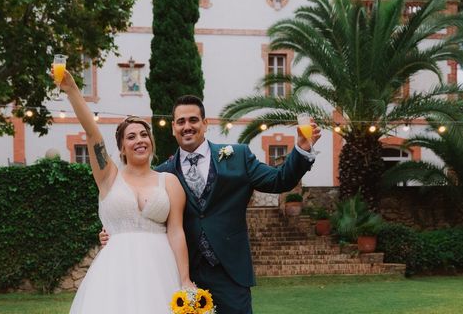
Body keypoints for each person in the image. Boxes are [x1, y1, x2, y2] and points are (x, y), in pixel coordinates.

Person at [101, 95, 321, 314]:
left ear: (205, 124)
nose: (187, 126)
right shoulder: (162, 174)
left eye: (193, 120)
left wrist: (301, 149)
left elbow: (280, 180)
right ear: (173, 128)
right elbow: (144, 217)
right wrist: (113, 233)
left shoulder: (238, 157)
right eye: (181, 121)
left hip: (231, 273)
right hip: (183, 277)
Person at [57, 70, 194, 314]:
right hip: (115, 272)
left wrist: (184, 280)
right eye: (131, 137)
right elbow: (92, 133)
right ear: (121, 147)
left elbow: (176, 232)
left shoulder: (169, 182)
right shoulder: (109, 176)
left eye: (144, 135)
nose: (140, 140)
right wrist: (72, 90)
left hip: (159, 271)